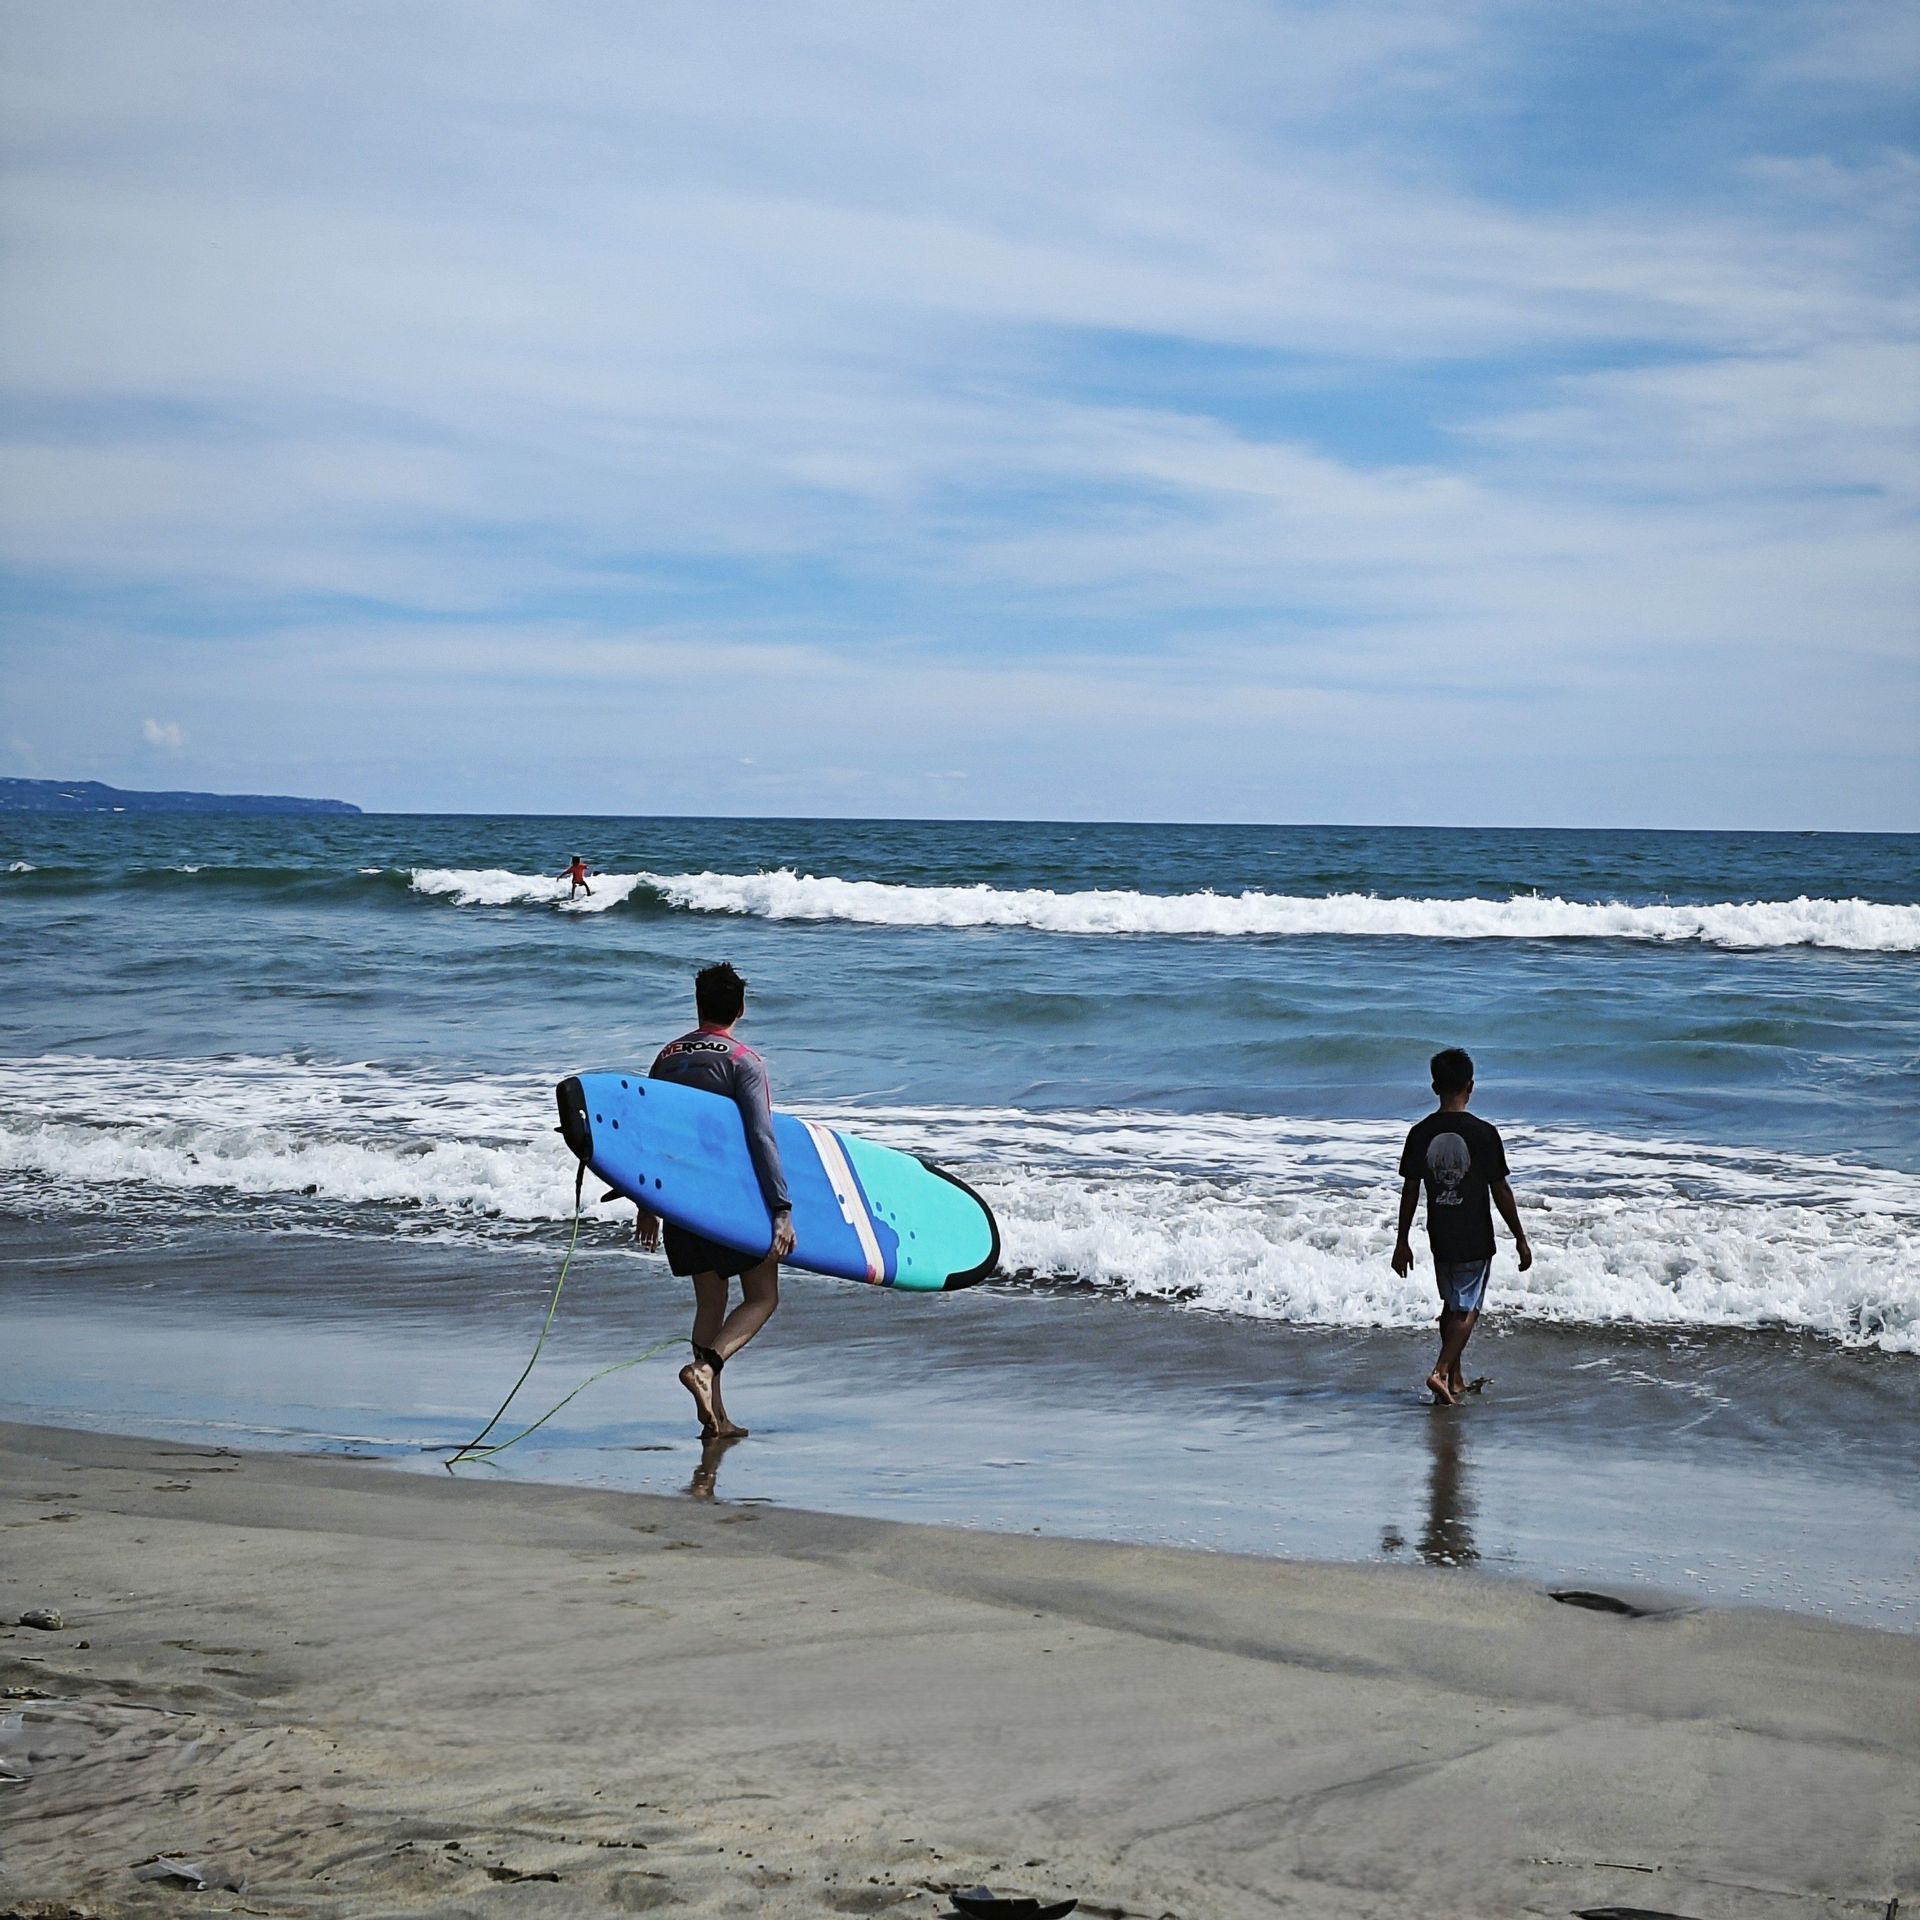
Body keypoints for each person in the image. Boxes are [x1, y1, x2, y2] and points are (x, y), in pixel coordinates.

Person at [634, 962, 795, 1437]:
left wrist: (648, 1204)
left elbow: (649, 1134)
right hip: (733, 1202)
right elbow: (761, 1137)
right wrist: (781, 1209)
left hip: (681, 1201)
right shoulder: (743, 1061)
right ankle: (706, 1367)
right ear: (741, 1008)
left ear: (698, 1004)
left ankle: (716, 1419)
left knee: (710, 1304)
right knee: (763, 1296)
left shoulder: (667, 1057)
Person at [1391, 1047, 1531, 1406]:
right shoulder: (1483, 1133)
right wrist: (1520, 1237)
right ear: (1471, 1086)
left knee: (1451, 1307)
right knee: (1467, 1309)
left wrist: (1402, 1241)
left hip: (1440, 1234)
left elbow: (1411, 1191)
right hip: (1474, 1235)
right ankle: (1439, 1372)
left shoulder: (1419, 1133)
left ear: (1435, 1086)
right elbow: (1500, 1189)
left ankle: (1454, 1378)